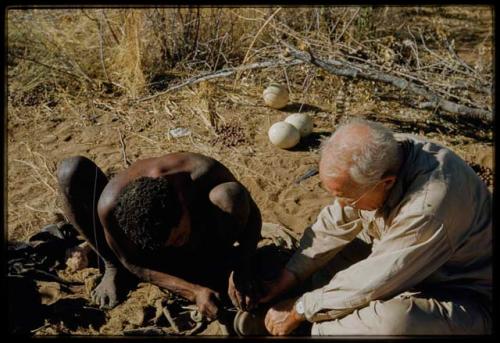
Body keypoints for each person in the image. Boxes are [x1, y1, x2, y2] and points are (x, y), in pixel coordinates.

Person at [255, 118, 492, 335]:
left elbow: (378, 279)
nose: (342, 204)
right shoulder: (387, 151)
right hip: (406, 262)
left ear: (386, 182)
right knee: (322, 258)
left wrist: (299, 310)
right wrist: (289, 276)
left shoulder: (430, 206)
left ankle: (314, 331)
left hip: (465, 295)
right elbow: (337, 221)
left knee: (391, 324)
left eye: (348, 198)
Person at [56, 152, 262, 320]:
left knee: (230, 196)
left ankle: (212, 264)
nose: (175, 244)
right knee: (69, 170)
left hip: (203, 239)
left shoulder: (202, 171)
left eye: (179, 236)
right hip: (148, 254)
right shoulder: (109, 208)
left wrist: (243, 265)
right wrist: (193, 292)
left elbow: (253, 215)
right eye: (168, 244)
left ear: (182, 203)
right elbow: (131, 260)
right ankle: (111, 266)